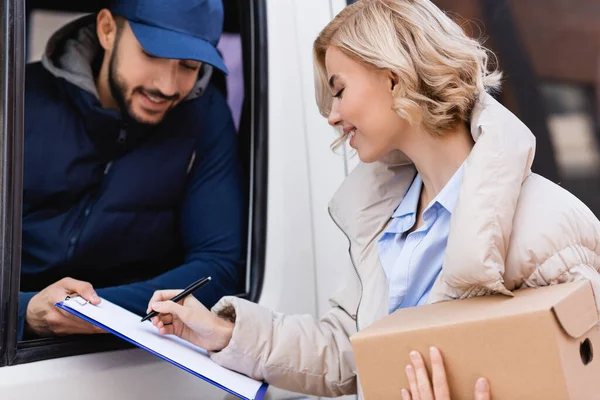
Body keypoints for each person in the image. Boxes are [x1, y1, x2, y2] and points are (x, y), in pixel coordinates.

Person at [147, 0, 600, 398]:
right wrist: (222, 332)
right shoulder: (390, 217)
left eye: (339, 89)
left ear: (394, 77)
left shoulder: (549, 224)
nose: (332, 114)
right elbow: (351, 350)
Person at [19, 0, 245, 341]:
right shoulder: (20, 98)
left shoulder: (205, 118)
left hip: (135, 352)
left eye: (188, 65)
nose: (168, 87)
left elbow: (219, 267)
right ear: (107, 30)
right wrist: (24, 310)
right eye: (152, 54)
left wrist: (87, 311)